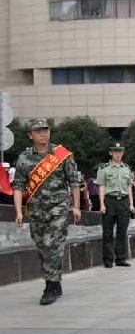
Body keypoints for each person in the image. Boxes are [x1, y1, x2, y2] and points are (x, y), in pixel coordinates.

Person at [13, 118, 81, 305]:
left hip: (59, 208)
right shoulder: (24, 158)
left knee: (52, 243)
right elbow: (18, 186)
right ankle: (55, 281)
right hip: (36, 210)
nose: (43, 134)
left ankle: (50, 285)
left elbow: (74, 182)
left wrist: (76, 206)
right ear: (30, 135)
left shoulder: (61, 155)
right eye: (38, 131)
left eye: (46, 130)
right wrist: (19, 212)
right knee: (42, 246)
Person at [97, 142, 135, 268]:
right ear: (111, 153)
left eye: (120, 152)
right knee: (107, 232)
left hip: (123, 201)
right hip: (110, 200)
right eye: (115, 152)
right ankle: (108, 260)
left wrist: (131, 204)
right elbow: (102, 187)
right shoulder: (104, 169)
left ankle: (121, 259)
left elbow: (129, 187)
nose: (118, 154)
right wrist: (102, 204)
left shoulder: (126, 168)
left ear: (123, 153)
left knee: (122, 231)